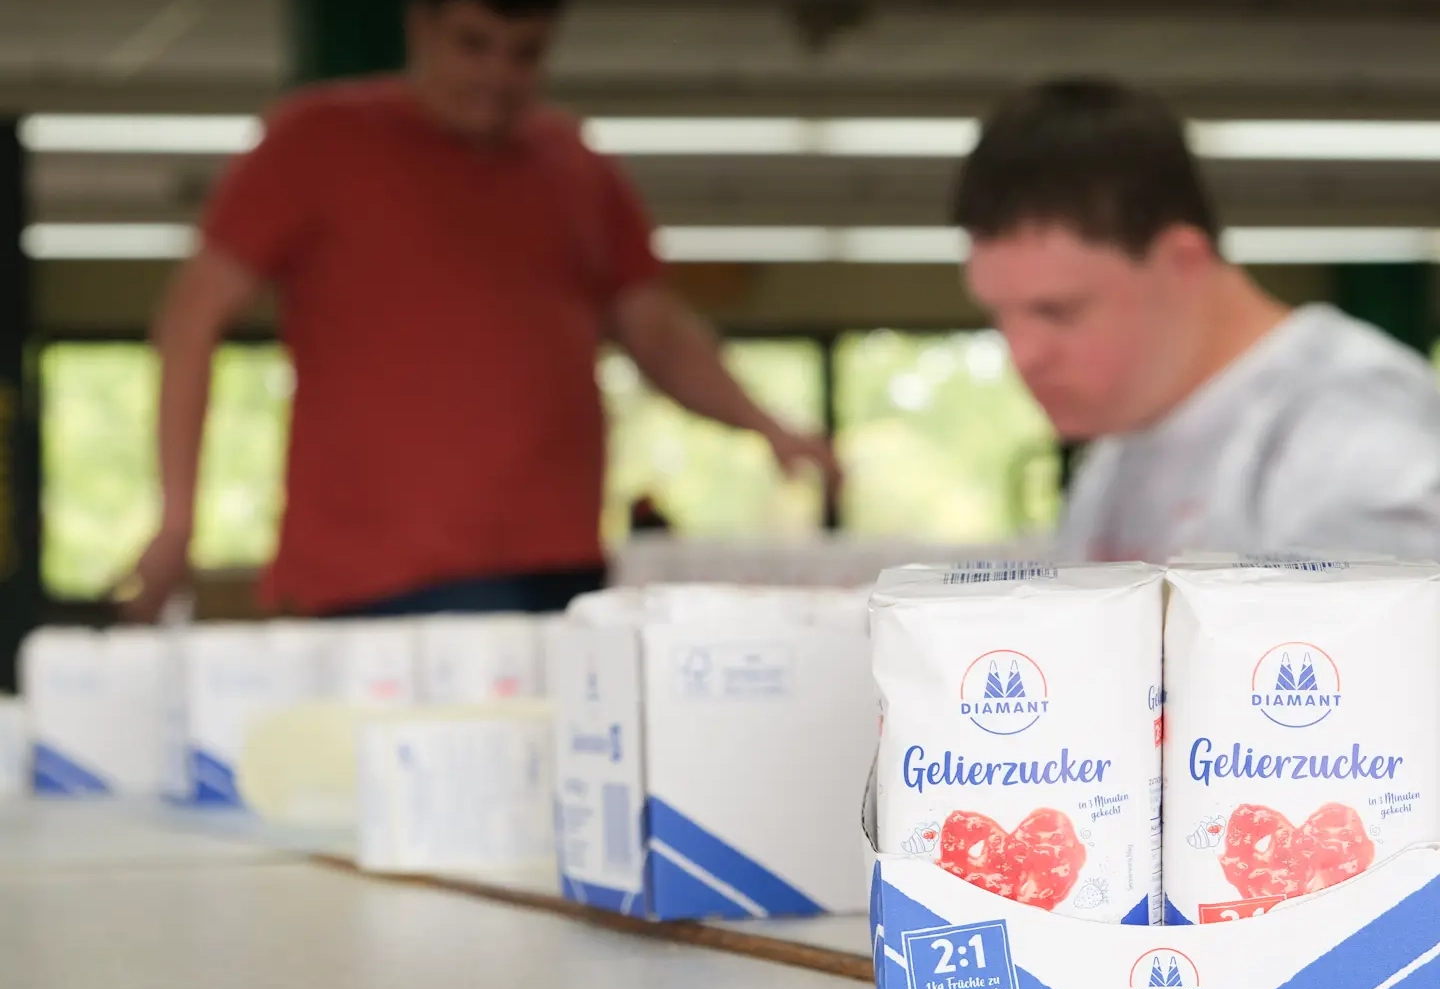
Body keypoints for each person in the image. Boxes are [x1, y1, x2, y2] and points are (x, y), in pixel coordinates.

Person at [123, 0, 837, 621]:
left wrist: (768, 425)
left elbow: (658, 333)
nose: (497, 76)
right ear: (420, 27)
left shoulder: (576, 166)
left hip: (559, 568)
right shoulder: (315, 142)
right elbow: (191, 318)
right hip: (379, 580)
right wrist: (179, 515)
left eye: (524, 54)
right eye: (473, 43)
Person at [953, 78, 1440, 564]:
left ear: (1182, 261)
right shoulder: (1125, 440)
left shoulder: (1349, 440)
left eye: (1058, 312)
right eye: (999, 314)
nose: (1024, 355)